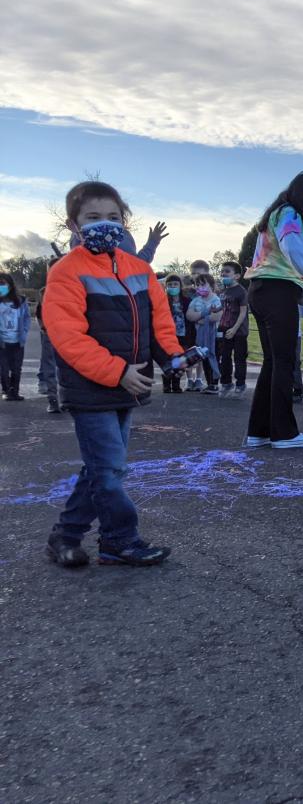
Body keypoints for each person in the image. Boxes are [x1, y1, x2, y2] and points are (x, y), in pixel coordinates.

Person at [42, 181, 184, 567]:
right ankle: (120, 539)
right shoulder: (66, 272)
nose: (105, 225)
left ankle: (66, 536)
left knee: (101, 468)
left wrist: (173, 356)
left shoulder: (139, 270)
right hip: (91, 387)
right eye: (93, 218)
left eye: (113, 217)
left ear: (125, 223)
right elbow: (67, 336)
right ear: (74, 225)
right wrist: (116, 371)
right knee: (108, 469)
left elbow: (160, 321)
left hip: (127, 385)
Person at [243, 172, 303, 449]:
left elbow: (283, 260)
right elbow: (294, 251)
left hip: (262, 291)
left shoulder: (276, 215)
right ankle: (283, 433)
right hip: (276, 292)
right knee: (283, 362)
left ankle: (259, 431)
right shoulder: (290, 214)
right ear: (302, 194)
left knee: (272, 362)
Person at [217, 261, 250, 397]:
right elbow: (223, 307)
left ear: (236, 276)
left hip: (239, 331)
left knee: (239, 358)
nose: (223, 274)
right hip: (224, 328)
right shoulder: (224, 290)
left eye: (227, 271)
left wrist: (235, 329)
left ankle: (240, 384)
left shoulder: (241, 291)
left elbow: (243, 312)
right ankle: (226, 382)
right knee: (224, 357)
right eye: (222, 271)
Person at [186, 273, 223, 394]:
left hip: (214, 336)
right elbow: (189, 316)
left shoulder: (216, 300)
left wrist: (201, 318)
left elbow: (216, 317)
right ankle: (209, 383)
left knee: (214, 357)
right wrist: (202, 316)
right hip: (200, 336)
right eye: (198, 285)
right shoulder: (196, 300)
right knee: (205, 359)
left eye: (203, 284)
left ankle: (215, 384)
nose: (200, 287)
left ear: (211, 285)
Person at [0, 272, 31, 401]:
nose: (1, 287)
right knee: (4, 368)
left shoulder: (21, 300)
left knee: (17, 368)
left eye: (3, 284)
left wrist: (23, 333)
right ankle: (6, 391)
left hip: (17, 341)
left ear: (10, 285)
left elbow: (26, 318)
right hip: (2, 342)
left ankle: (15, 392)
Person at [36, 270, 63, 413]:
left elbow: (39, 314)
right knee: (63, 367)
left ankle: (54, 400)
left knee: (50, 366)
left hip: (51, 332)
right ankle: (61, 399)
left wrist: (43, 328)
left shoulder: (45, 291)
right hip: (65, 333)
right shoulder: (71, 287)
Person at [161, 275, 188, 393]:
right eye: (170, 285)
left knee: (179, 360)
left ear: (180, 286)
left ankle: (176, 382)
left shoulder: (186, 301)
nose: (173, 287)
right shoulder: (163, 301)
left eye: (175, 284)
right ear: (166, 287)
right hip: (168, 335)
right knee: (168, 359)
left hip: (183, 334)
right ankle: (167, 381)